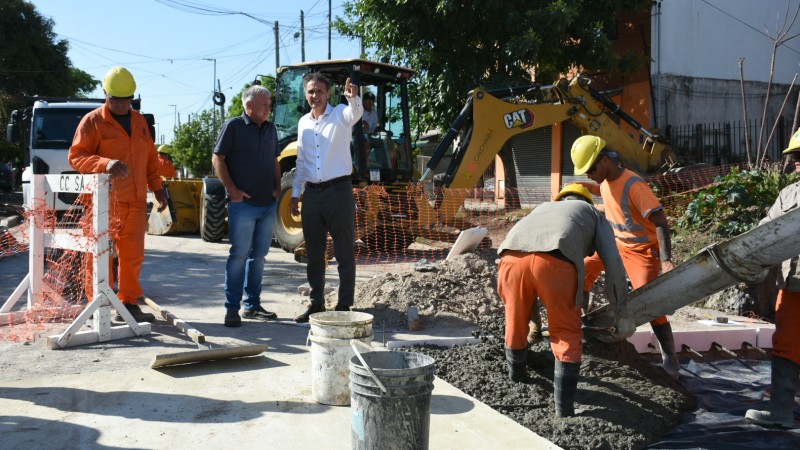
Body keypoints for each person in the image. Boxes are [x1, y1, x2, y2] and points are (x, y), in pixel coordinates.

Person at [496, 184, 630, 417]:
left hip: (509, 259)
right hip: (555, 262)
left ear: (560, 199)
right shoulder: (594, 214)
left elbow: (530, 262)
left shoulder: (542, 209)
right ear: (587, 201)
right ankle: (564, 410)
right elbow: (614, 263)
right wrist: (622, 311)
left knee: (514, 321)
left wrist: (534, 325)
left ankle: (516, 381)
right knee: (566, 331)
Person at [571, 135, 680, 379]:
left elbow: (661, 221)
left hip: (641, 252)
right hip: (616, 244)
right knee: (583, 269)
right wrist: (590, 188)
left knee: (648, 301)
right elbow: (607, 191)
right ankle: (579, 328)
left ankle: (670, 360)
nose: (589, 175)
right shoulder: (607, 179)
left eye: (592, 170)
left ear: (605, 161)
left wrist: (665, 261)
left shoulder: (634, 184)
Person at [69, 66, 168, 323]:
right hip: (104, 203)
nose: (123, 105)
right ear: (106, 94)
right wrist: (105, 164)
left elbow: (150, 161)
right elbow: (77, 156)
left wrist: (158, 188)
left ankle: (128, 303)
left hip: (135, 201)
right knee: (100, 255)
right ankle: (98, 303)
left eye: (128, 100)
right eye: (117, 100)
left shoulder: (139, 121)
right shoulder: (92, 122)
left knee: (133, 255)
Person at [292, 73, 363, 323]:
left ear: (328, 93)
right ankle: (316, 303)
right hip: (312, 194)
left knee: (344, 250)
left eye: (319, 91)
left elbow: (355, 113)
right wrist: (295, 194)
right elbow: (302, 162)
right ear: (306, 93)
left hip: (339, 193)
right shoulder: (303, 123)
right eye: (311, 91)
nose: (315, 96)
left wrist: (353, 99)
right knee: (314, 253)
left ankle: (344, 305)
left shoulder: (341, 115)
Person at [212, 85, 281, 327]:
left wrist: (277, 188)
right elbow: (217, 158)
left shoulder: (271, 129)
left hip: (267, 204)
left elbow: (274, 160)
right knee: (239, 256)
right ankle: (232, 309)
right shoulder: (234, 126)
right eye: (264, 104)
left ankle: (252, 306)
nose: (268, 108)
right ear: (248, 106)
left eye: (269, 104)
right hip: (243, 205)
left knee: (259, 257)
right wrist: (232, 190)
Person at [745, 130, 800, 429]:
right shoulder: (789, 195)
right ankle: (781, 411)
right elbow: (764, 233)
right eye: (795, 157)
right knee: (786, 346)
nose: (796, 162)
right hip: (791, 286)